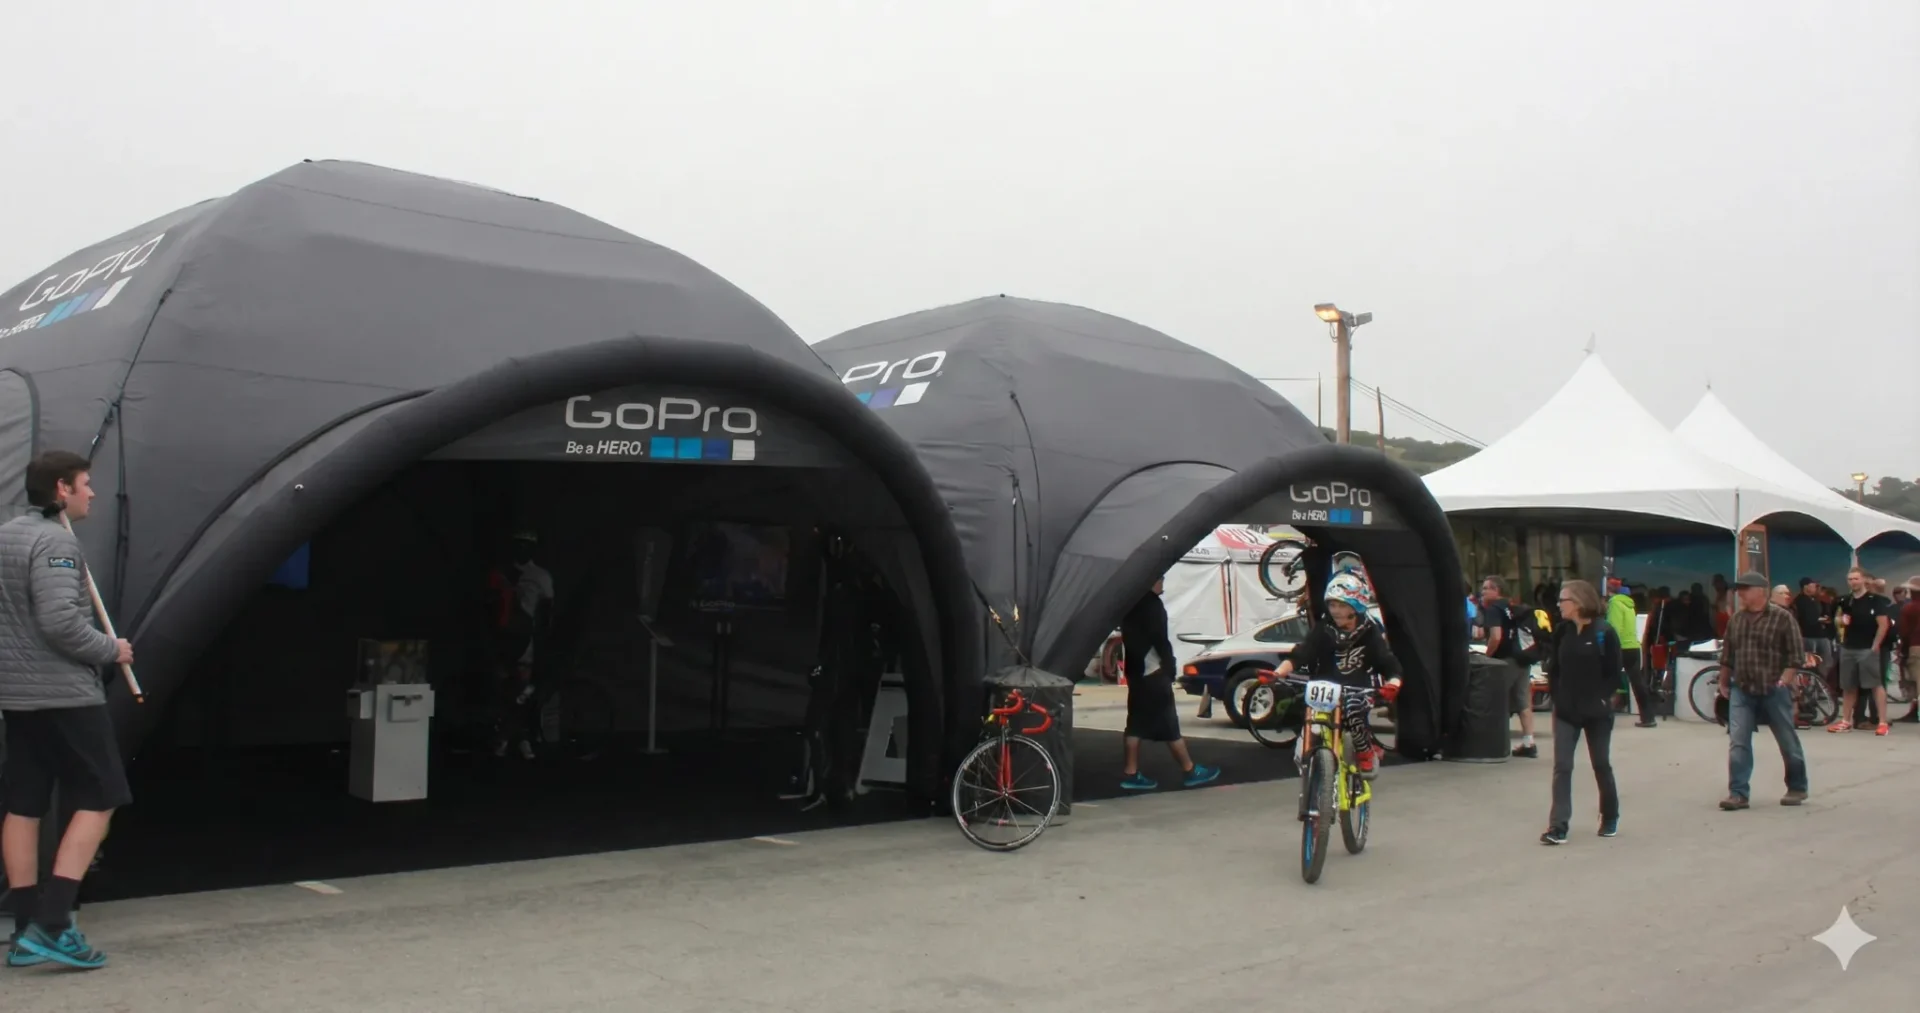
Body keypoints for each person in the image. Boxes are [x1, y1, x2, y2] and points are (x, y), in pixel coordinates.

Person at [0, 451, 135, 970]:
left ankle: (23, 928)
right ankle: (54, 924)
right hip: (64, 696)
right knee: (103, 795)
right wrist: (111, 649)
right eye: (86, 484)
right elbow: (59, 621)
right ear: (62, 489)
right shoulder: (57, 542)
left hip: (17, 697)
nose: (93, 493)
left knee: (25, 802)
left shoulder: (9, 534)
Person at [1266, 573, 1404, 779]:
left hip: (1357, 690)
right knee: (1308, 725)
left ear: (1356, 606)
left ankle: (1365, 750)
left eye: (1342, 605)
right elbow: (1302, 654)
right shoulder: (1324, 628)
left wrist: (1393, 683)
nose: (1336, 611)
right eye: (1332, 605)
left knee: (1354, 709)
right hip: (1324, 690)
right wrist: (1277, 673)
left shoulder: (1369, 631)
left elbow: (1388, 663)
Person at [1717, 571, 1810, 810]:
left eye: (1744, 589)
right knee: (1738, 741)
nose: (1740, 594)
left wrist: (1784, 680)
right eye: (1738, 590)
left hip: (1773, 688)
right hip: (1743, 688)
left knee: (1787, 740)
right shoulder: (1736, 619)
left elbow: (1796, 655)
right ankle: (1738, 793)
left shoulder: (1782, 618)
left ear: (1760, 591)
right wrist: (1723, 682)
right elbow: (1728, 654)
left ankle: (1797, 786)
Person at [1539, 580, 1623, 844]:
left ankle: (1609, 816)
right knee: (1562, 767)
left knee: (1601, 765)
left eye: (1563, 600)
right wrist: (1557, 697)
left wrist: (1602, 700)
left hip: (1596, 712)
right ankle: (1558, 826)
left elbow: (1614, 672)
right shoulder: (1562, 632)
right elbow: (1555, 668)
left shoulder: (1604, 632)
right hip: (1565, 710)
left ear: (1577, 603)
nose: (1559, 605)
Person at [1118, 578, 1221, 791]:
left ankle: (1130, 772)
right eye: (1160, 577)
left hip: (1136, 672)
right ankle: (1190, 770)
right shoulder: (1152, 605)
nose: (1163, 581)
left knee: (1135, 723)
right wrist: (1170, 667)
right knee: (1169, 725)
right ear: (1151, 579)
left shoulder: (1129, 604)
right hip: (1153, 672)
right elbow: (1160, 640)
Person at [485, 530, 554, 759]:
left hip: (526, 644)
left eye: (527, 545)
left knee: (522, 693)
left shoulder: (541, 576)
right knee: (504, 692)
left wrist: (543, 642)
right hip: (502, 642)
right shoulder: (500, 573)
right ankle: (510, 739)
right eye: (519, 544)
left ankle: (515, 738)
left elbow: (546, 614)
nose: (522, 549)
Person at [1828, 566, 1892, 736]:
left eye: (1856, 579)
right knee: (1848, 686)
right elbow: (1834, 619)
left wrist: (1875, 645)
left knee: (1875, 685)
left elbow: (1883, 624)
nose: (1853, 582)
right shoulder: (1844, 601)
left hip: (1867, 649)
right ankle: (1845, 721)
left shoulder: (1875, 600)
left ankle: (1882, 722)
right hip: (1848, 647)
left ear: (1863, 580)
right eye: (1850, 579)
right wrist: (1839, 620)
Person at [1479, 576, 1537, 758]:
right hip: (1522, 658)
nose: (1483, 592)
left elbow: (1496, 636)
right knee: (1523, 702)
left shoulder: (1494, 609)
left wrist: (1487, 656)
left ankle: (1499, 744)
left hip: (1504, 661)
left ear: (1497, 591)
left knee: (1498, 700)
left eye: (1487, 588)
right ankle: (1529, 742)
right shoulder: (1512, 607)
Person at [1605, 578, 1658, 727]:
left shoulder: (1615, 603)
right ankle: (1648, 718)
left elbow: (1613, 628)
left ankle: (1602, 716)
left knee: (1607, 681)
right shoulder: (1629, 604)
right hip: (1633, 647)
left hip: (1620, 648)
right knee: (1638, 683)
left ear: (1609, 591)